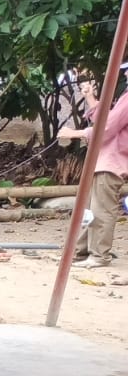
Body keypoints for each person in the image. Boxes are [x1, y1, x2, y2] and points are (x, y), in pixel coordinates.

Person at [58, 76, 128, 269]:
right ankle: (79, 252)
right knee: (87, 210)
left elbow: (106, 128)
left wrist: (75, 133)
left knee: (101, 211)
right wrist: (91, 99)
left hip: (111, 162)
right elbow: (109, 120)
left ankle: (98, 255)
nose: (126, 75)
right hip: (104, 161)